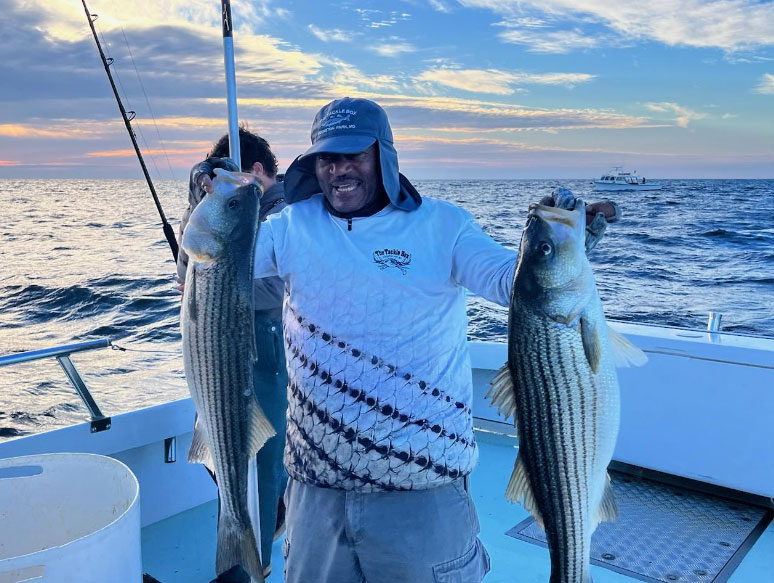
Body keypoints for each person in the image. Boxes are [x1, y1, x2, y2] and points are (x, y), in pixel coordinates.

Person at [234, 97, 615, 582]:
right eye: (328, 158)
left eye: (355, 155)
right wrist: (214, 202)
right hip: (316, 492)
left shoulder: (443, 225)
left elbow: (512, 283)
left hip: (423, 492)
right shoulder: (292, 225)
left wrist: (570, 242)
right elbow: (216, 265)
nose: (339, 170)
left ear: (385, 157)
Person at [178, 127, 289, 582]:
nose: (219, 185)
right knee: (232, 459)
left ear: (255, 170)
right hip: (226, 354)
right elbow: (191, 264)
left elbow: (272, 288)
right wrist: (196, 199)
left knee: (262, 473)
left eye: (230, 176)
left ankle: (251, 562)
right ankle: (245, 542)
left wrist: (223, 278)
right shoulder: (241, 212)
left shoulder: (285, 212)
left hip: (267, 352)